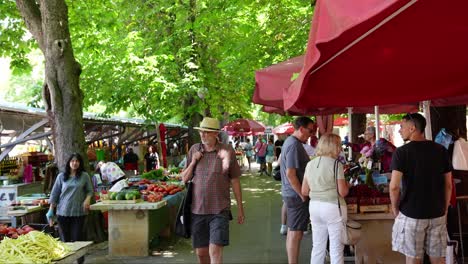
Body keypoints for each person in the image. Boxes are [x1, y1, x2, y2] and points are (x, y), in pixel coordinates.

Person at [180, 117, 245, 264]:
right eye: (201, 132)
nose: (202, 135)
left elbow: (235, 179)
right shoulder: (194, 149)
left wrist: (240, 208)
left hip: (219, 210)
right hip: (197, 210)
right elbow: (184, 178)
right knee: (202, 254)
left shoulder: (227, 150)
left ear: (216, 134)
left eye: (207, 132)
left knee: (214, 251)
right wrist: (194, 161)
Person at [389, 113, 452, 264]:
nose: (400, 130)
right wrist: (445, 208)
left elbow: (394, 187)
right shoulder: (440, 150)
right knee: (438, 258)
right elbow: (448, 184)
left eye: (402, 127)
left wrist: (395, 209)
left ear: (412, 128)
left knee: (413, 259)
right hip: (437, 213)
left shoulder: (401, 152)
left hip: (411, 214)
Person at [302, 133, 350, 264]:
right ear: (333, 147)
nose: (340, 148)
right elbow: (343, 192)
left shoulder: (310, 164)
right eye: (338, 145)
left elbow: (304, 191)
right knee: (336, 248)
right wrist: (348, 185)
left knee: (318, 246)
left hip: (314, 207)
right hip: (332, 207)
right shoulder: (336, 165)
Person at [280, 116, 315, 264]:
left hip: (291, 194)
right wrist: (302, 194)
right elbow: (291, 174)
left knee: (293, 231)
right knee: (296, 233)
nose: (312, 134)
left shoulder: (291, 142)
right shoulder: (294, 145)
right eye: (310, 130)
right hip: (295, 195)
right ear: (301, 129)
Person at [47, 153, 93, 264]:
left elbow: (90, 191)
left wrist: (87, 199)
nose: (75, 163)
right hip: (63, 212)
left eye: (77, 161)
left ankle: (80, 261)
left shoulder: (84, 176)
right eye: (72, 161)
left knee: (78, 238)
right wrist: (50, 210)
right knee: (65, 240)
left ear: (80, 163)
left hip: (79, 212)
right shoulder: (61, 176)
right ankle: (67, 261)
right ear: (68, 163)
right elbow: (54, 194)